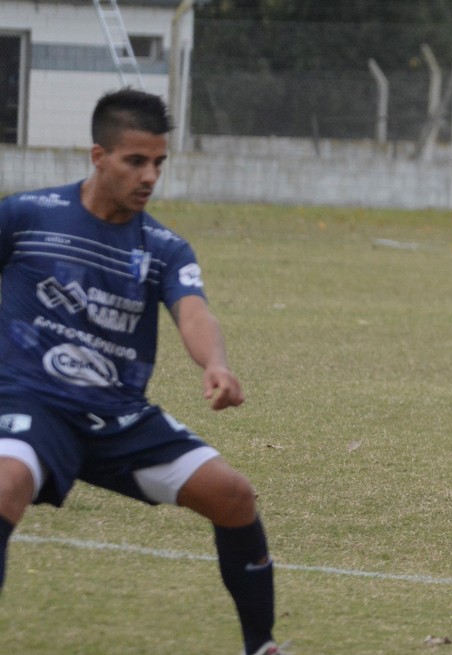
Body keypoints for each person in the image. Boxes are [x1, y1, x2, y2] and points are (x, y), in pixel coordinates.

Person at [0, 89, 284, 655]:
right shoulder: (27, 216)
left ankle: (263, 646)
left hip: (117, 416)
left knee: (232, 495)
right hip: (33, 401)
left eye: (159, 162)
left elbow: (193, 311)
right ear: (97, 156)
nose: (150, 175)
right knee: (5, 484)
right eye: (136, 160)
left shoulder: (163, 247)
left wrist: (216, 365)